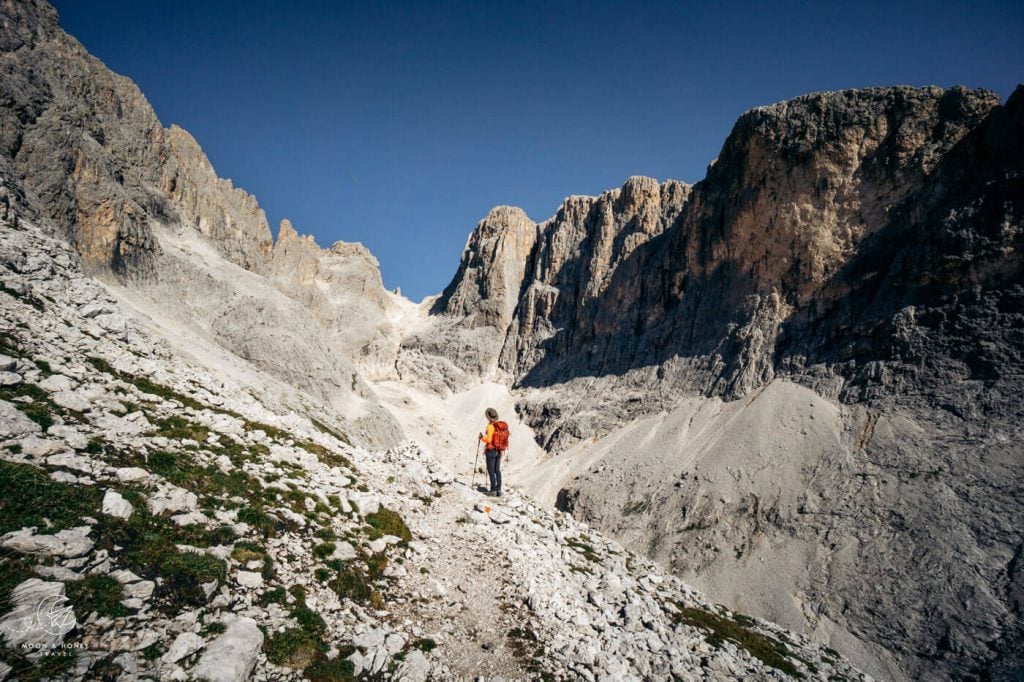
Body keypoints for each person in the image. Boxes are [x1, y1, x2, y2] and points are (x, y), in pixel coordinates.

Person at [478, 407, 509, 497]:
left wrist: (481, 438)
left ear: (488, 417)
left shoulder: (490, 426)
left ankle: (493, 490)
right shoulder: (498, 427)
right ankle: (498, 490)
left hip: (491, 450)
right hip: (499, 450)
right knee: (497, 470)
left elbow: (489, 440)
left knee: (491, 470)